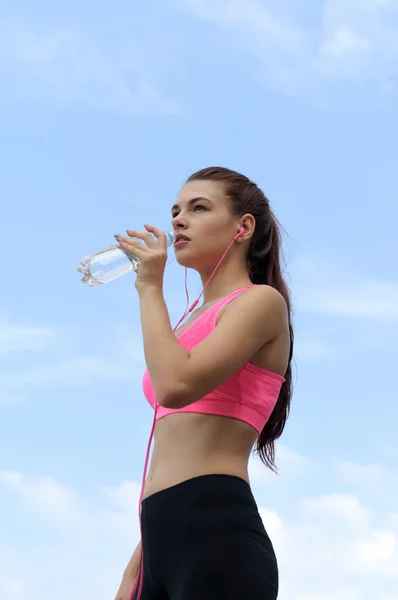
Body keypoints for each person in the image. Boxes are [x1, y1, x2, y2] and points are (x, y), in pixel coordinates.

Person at [113, 167, 293, 600]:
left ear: (243, 227)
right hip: (158, 537)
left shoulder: (260, 303)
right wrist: (135, 568)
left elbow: (175, 385)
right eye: (175, 210)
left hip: (215, 532)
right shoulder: (185, 323)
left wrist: (149, 287)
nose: (178, 219)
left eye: (198, 208)